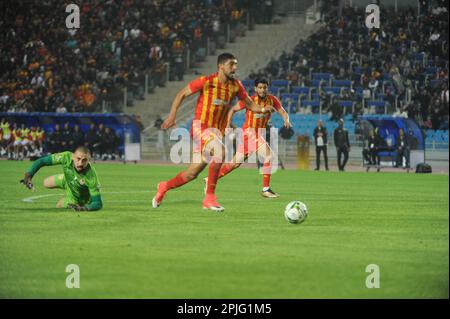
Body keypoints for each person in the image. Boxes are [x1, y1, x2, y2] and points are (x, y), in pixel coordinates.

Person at [152, 53, 273, 212]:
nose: (235, 68)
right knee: (220, 151)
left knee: (191, 174)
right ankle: (209, 198)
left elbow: (250, 104)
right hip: (200, 128)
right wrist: (173, 115)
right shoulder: (206, 81)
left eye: (235, 64)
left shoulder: (236, 85)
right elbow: (182, 93)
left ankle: (164, 186)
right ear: (221, 66)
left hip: (216, 133)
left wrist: (264, 109)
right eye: (231, 64)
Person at [211, 78, 291, 198]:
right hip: (249, 133)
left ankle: (210, 179)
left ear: (267, 88)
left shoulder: (272, 100)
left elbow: (283, 112)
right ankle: (266, 189)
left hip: (256, 134)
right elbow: (232, 109)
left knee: (235, 164)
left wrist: (286, 119)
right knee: (269, 155)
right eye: (260, 87)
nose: (262, 90)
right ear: (255, 89)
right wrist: (227, 125)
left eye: (264, 87)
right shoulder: (250, 100)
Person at [20, 146, 103, 212]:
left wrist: (84, 208)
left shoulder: (91, 176)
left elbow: (97, 203)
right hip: (67, 180)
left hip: (78, 198)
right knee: (46, 183)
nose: (80, 163)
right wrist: (29, 175)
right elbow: (42, 161)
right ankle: (69, 178)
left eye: (84, 160)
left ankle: (69, 198)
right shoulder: (65, 156)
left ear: (89, 161)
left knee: (59, 205)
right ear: (73, 156)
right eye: (78, 159)